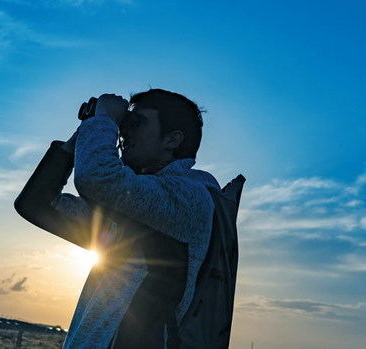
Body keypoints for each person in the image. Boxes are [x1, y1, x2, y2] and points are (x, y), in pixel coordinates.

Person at [15, 88, 221, 348]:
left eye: (136, 124)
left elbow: (96, 178)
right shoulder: (134, 210)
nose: (125, 132)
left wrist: (104, 122)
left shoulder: (188, 197)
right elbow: (36, 204)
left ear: (172, 140)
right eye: (125, 124)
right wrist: (87, 130)